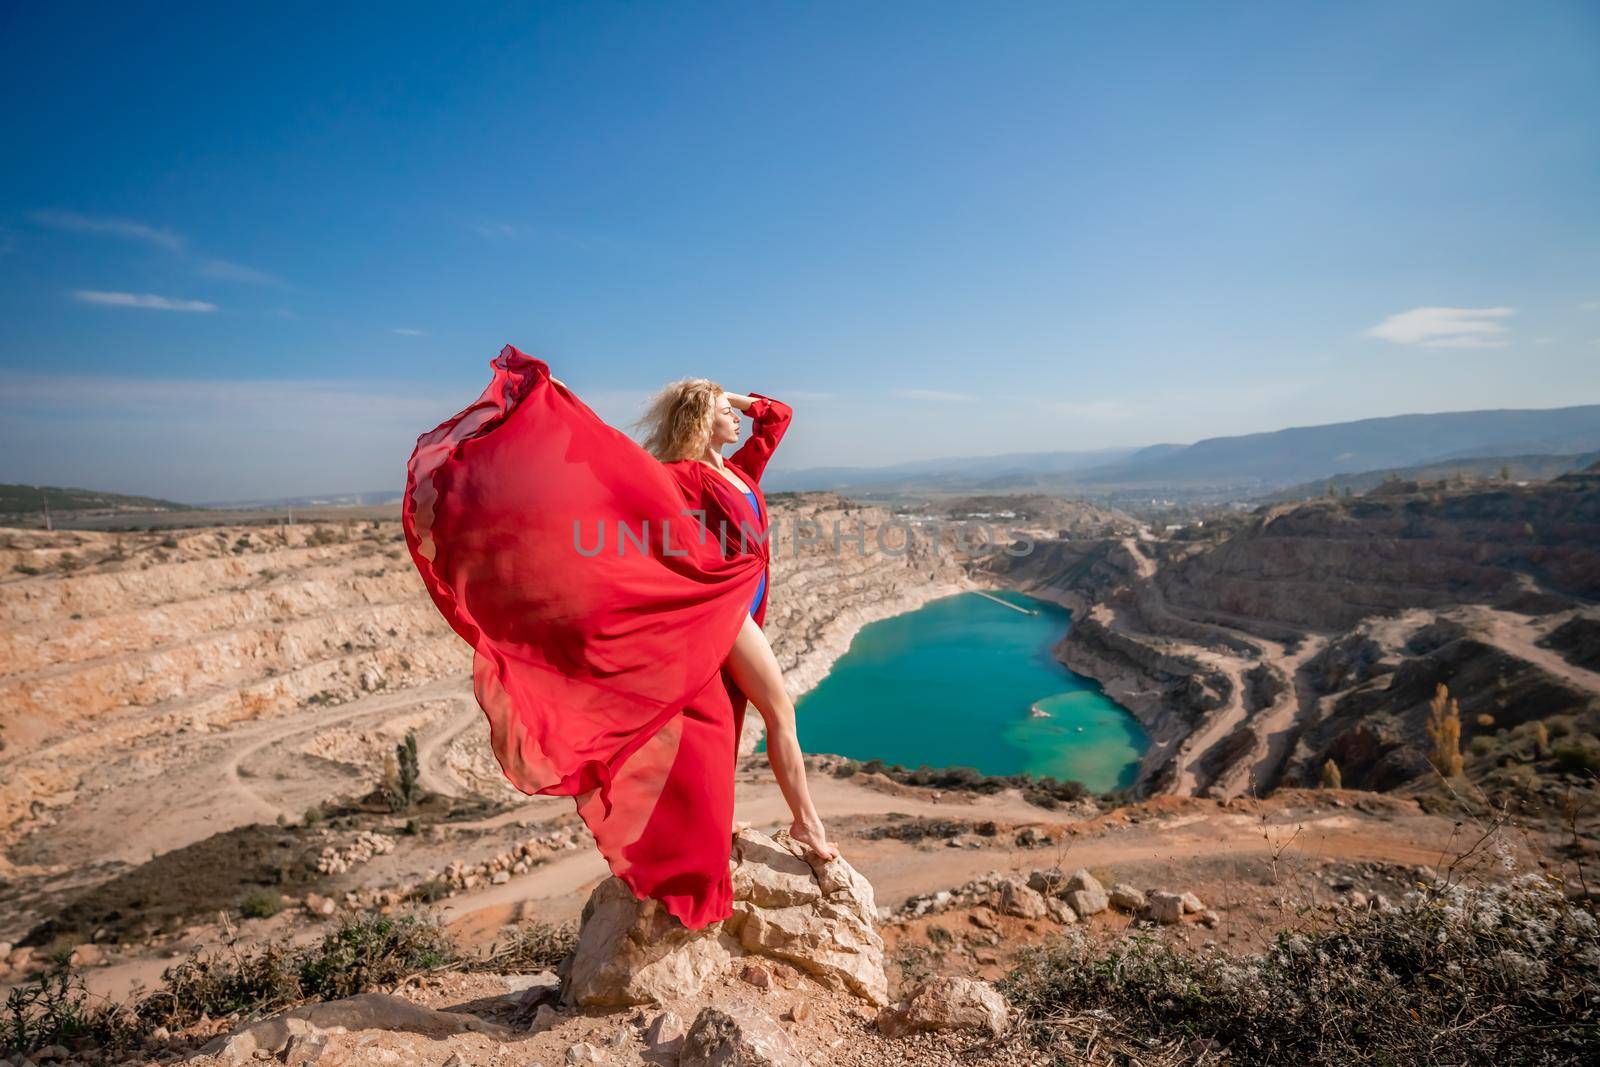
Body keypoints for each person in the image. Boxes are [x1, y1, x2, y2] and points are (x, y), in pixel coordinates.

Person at [402, 344, 835, 933]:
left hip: (744, 612)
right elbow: (615, 495)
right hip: (721, 609)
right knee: (780, 709)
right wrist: (698, 398)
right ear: (699, 418)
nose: (738, 417)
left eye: (733, 411)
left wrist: (718, 393)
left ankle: (702, 834)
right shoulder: (682, 478)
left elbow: (776, 415)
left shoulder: (739, 473)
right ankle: (807, 824)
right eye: (723, 410)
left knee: (721, 726)